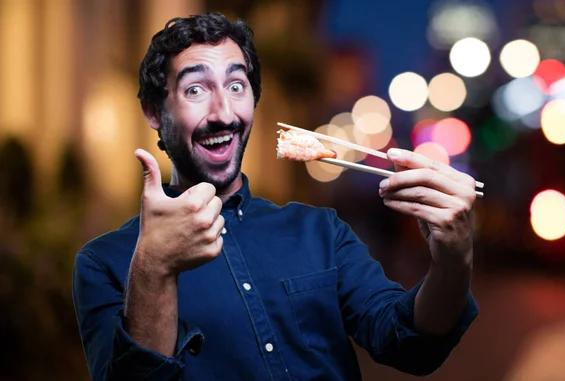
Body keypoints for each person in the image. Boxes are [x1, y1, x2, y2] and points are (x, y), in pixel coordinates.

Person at [72, 12, 478, 381]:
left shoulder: (322, 232)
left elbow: (409, 343)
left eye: (236, 85)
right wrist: (153, 267)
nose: (223, 112)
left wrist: (454, 258)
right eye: (196, 89)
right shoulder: (104, 263)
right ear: (155, 112)